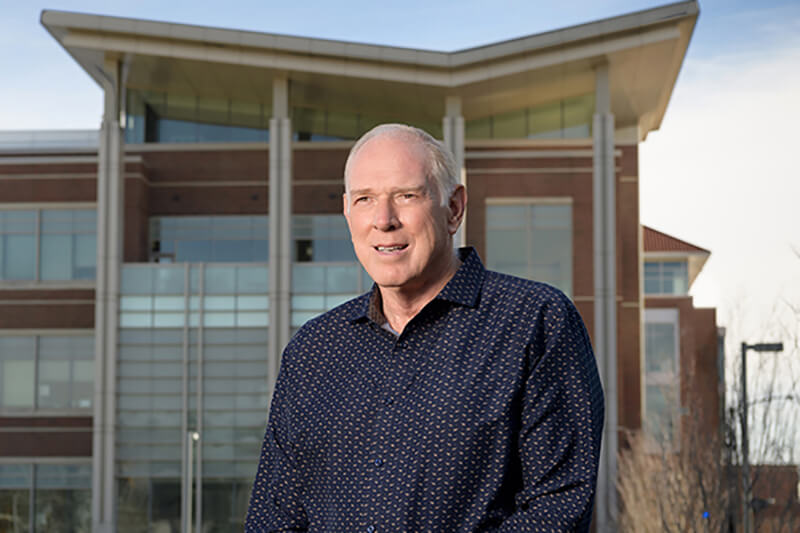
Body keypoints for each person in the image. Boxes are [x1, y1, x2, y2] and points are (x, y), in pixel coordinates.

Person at [246, 124, 604, 532]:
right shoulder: (313, 351)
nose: (384, 220)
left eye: (406, 196)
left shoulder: (535, 322)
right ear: (347, 213)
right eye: (365, 199)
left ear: (453, 208)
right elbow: (274, 517)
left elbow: (557, 509)